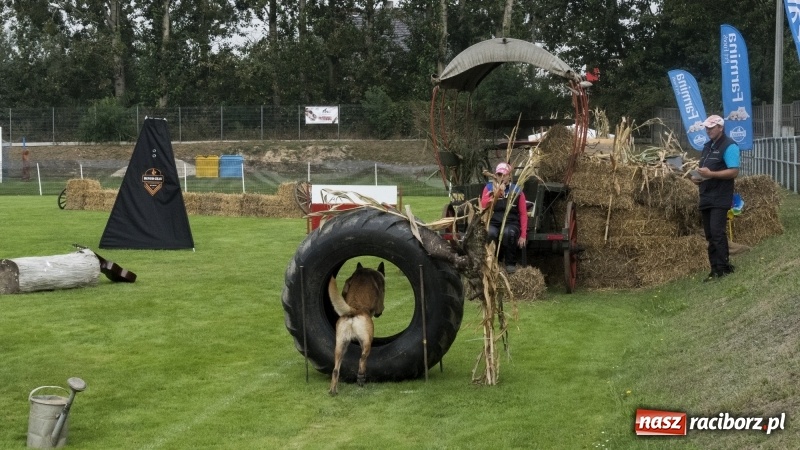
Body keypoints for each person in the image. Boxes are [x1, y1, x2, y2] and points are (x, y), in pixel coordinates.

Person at [692, 114, 740, 281]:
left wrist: (711, 174)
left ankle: (722, 268)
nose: (708, 130)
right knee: (710, 235)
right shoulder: (707, 146)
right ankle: (715, 268)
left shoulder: (730, 146)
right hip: (706, 194)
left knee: (717, 232)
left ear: (721, 128)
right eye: (706, 127)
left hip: (720, 196)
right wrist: (699, 178)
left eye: (711, 127)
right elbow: (706, 171)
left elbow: (734, 171)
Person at [480, 162, 528, 274]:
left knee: (508, 233)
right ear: (496, 175)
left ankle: (510, 264)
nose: (501, 177)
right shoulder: (488, 188)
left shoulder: (517, 190)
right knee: (491, 233)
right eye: (499, 175)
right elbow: (483, 205)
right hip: (494, 222)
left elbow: (523, 214)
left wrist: (523, 235)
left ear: (509, 176)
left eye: (504, 175)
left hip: (511, 223)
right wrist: (496, 194)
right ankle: (492, 262)